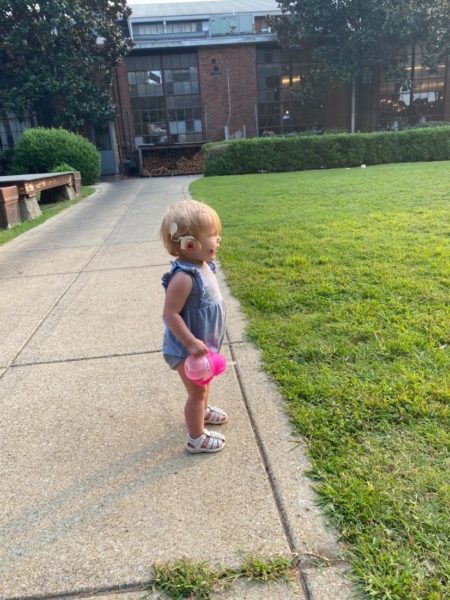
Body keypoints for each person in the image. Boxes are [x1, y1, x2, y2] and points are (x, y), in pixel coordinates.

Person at [160, 200, 227, 454]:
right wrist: (189, 343)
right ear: (190, 245)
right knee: (197, 393)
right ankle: (196, 438)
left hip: (201, 346)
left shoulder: (203, 265)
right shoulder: (184, 278)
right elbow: (170, 314)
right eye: (212, 235)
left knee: (204, 386)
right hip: (186, 348)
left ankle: (204, 411)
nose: (218, 239)